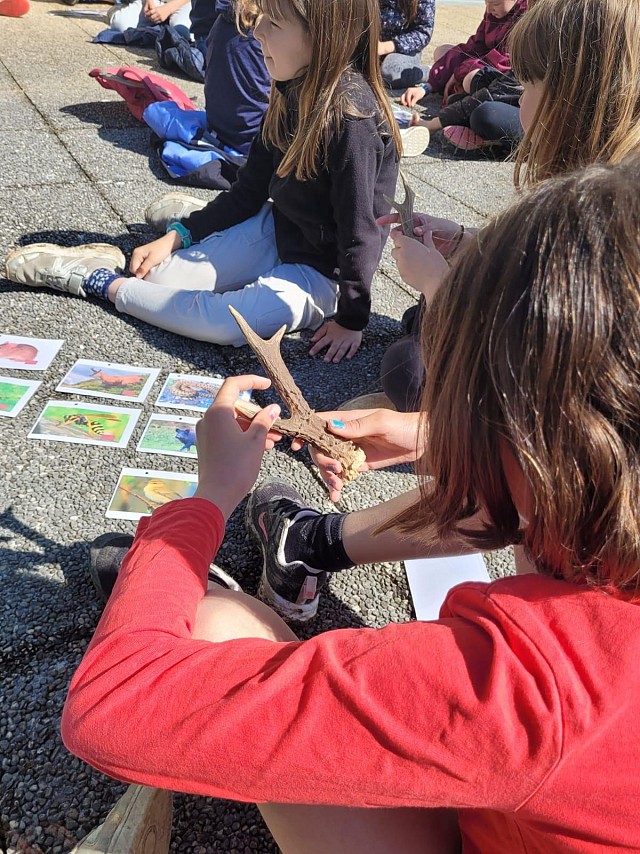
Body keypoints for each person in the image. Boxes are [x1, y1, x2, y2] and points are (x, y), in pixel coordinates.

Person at [62, 158, 640, 852]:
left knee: (215, 622)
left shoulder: (532, 688)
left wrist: (206, 501)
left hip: (520, 764)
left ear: (533, 444)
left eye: (459, 404)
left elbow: (110, 710)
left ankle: (293, 546)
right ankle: (307, 541)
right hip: (534, 797)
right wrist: (444, 440)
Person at [5, 0, 400, 364]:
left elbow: (360, 231)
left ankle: (97, 281)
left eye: (274, 23)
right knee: (157, 277)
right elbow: (248, 190)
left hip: (323, 274)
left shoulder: (353, 120)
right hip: (281, 229)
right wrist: (177, 237)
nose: (258, 31)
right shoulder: (288, 89)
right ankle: (179, 224)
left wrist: (352, 320)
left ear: (323, 37)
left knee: (225, 325)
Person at [378, 0, 640, 411]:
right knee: (419, 323)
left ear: (574, 96)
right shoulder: (592, 180)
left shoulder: (602, 216)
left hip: (552, 397)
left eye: (528, 83)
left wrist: (438, 286)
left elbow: (542, 360)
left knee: (408, 369)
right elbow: (530, 262)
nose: (520, 99)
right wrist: (466, 241)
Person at [399, 0, 526, 151]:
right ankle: (461, 100)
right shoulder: (495, 13)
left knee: (478, 97)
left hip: (512, 89)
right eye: (486, 2)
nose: (489, 8)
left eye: (496, 3)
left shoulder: (529, 21)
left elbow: (504, 74)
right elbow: (474, 46)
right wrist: (428, 85)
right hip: (502, 83)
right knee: (443, 52)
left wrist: (436, 122)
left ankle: (467, 108)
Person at [378, 0, 435, 89]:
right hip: (372, 46)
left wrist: (384, 47)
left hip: (405, 51)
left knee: (389, 73)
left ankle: (429, 72)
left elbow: (424, 33)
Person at [108, 0, 192, 35]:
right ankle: (120, 8)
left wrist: (168, 9)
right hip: (154, 2)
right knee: (120, 25)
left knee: (181, 34)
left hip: (183, 3)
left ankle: (165, 24)